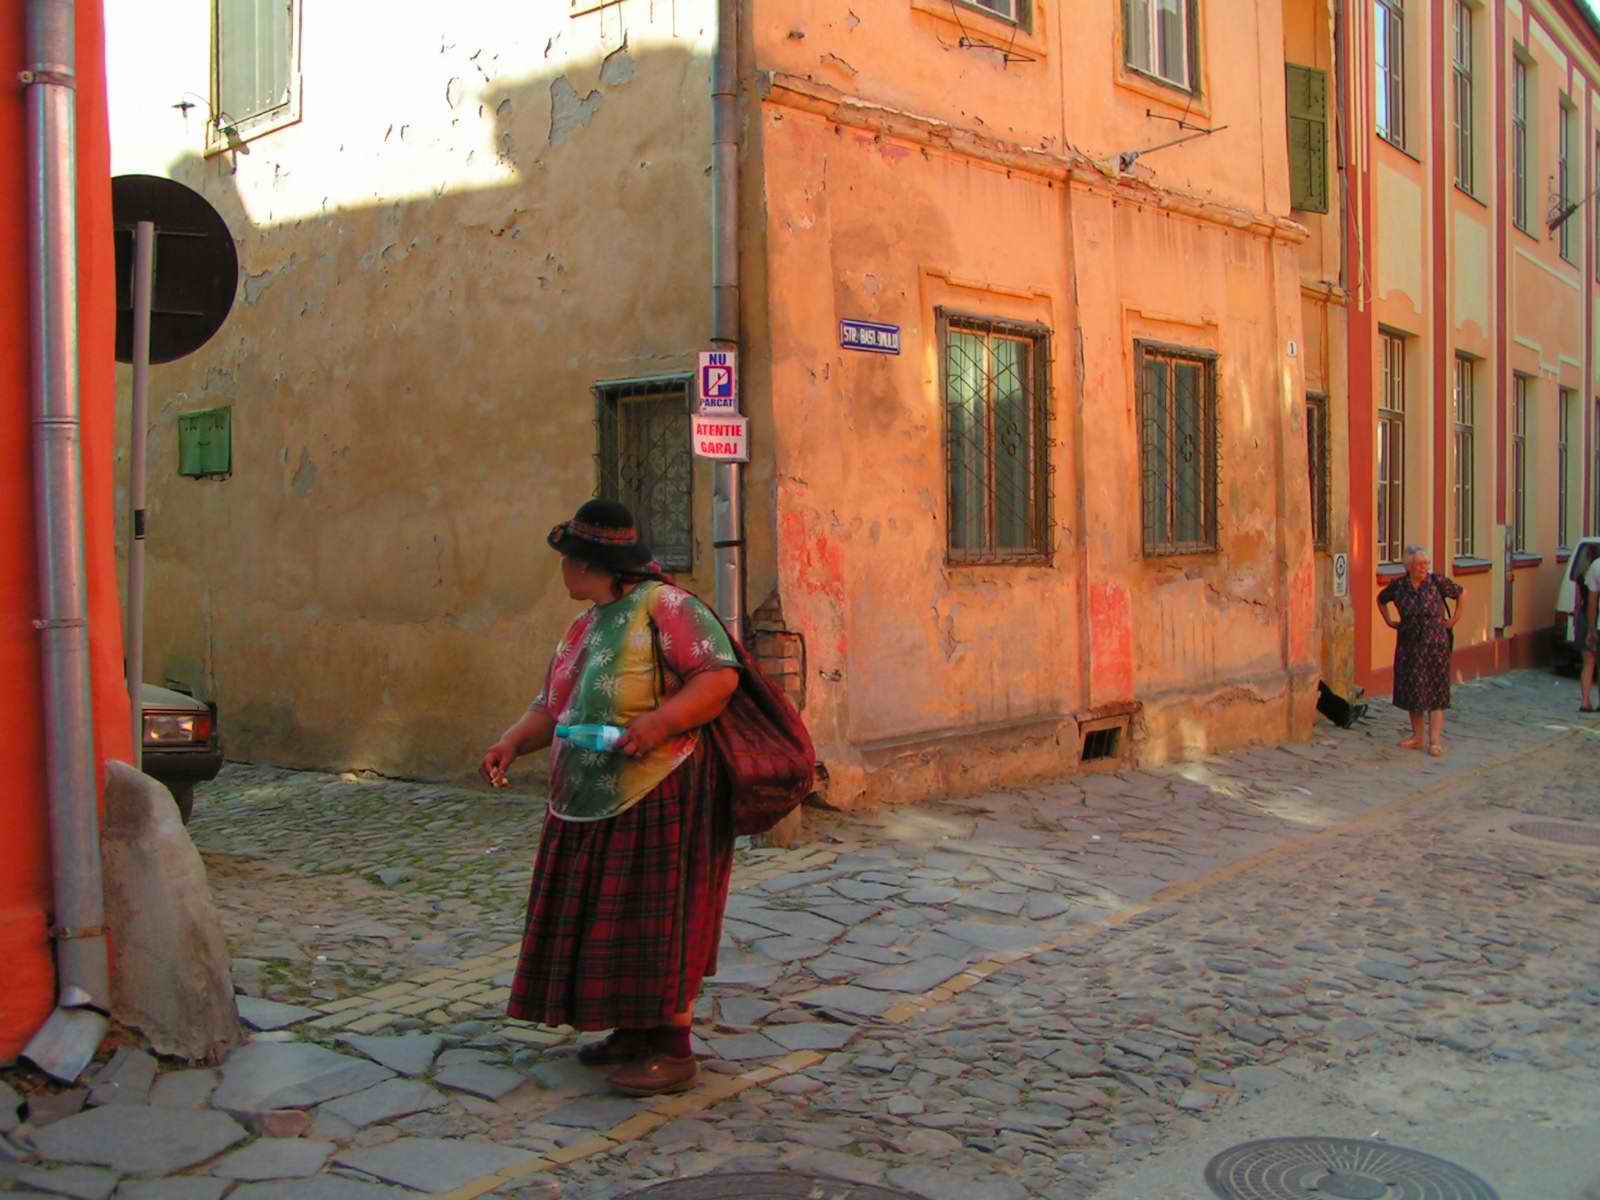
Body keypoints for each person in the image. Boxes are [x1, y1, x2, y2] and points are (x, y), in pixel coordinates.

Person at [479, 499, 740, 1097]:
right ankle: (632, 1030)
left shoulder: (668, 607)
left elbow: (719, 676)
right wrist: (511, 743)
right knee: (611, 920)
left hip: (658, 788)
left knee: (659, 917)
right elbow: (553, 705)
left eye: (567, 558)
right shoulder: (585, 627)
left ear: (589, 563)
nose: (562, 569)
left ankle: (672, 1050)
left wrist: (661, 723)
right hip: (586, 800)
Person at [1377, 544, 1463, 757]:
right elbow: (1381, 599)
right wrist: (1389, 621)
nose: (1425, 567)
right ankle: (1418, 737)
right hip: (1409, 645)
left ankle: (1435, 741)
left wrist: (1454, 620)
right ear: (1409, 566)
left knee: (1436, 692)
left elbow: (1462, 593)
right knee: (1413, 690)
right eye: (1420, 564)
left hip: (1435, 645)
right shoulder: (1399, 586)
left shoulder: (1437, 582)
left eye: (1426, 563)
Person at [1578, 542, 1600, 713]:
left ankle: (1585, 701)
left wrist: (1591, 628)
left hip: (1594, 622)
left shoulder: (1596, 566)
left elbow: (1592, 601)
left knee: (1589, 661)